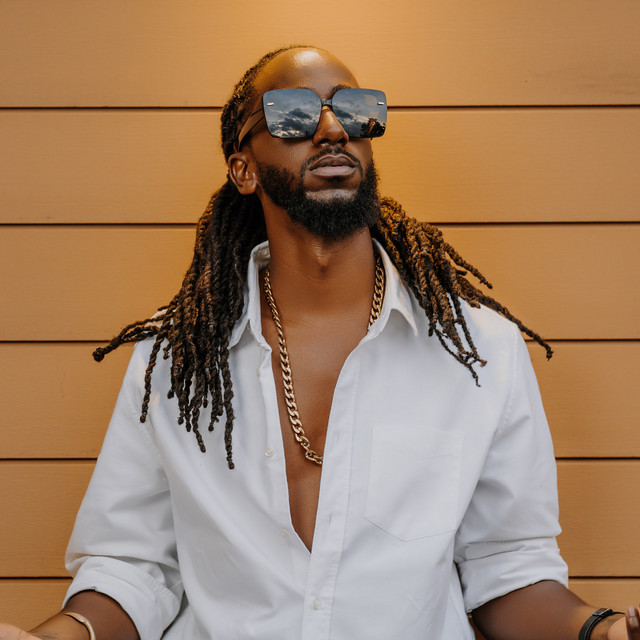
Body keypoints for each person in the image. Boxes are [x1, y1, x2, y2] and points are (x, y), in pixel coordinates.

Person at [1, 45, 638, 640]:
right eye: (293, 114)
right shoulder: (174, 362)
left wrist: (606, 631)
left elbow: (508, 569)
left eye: (356, 111)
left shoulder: (480, 354)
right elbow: (131, 569)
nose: (333, 129)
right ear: (243, 169)